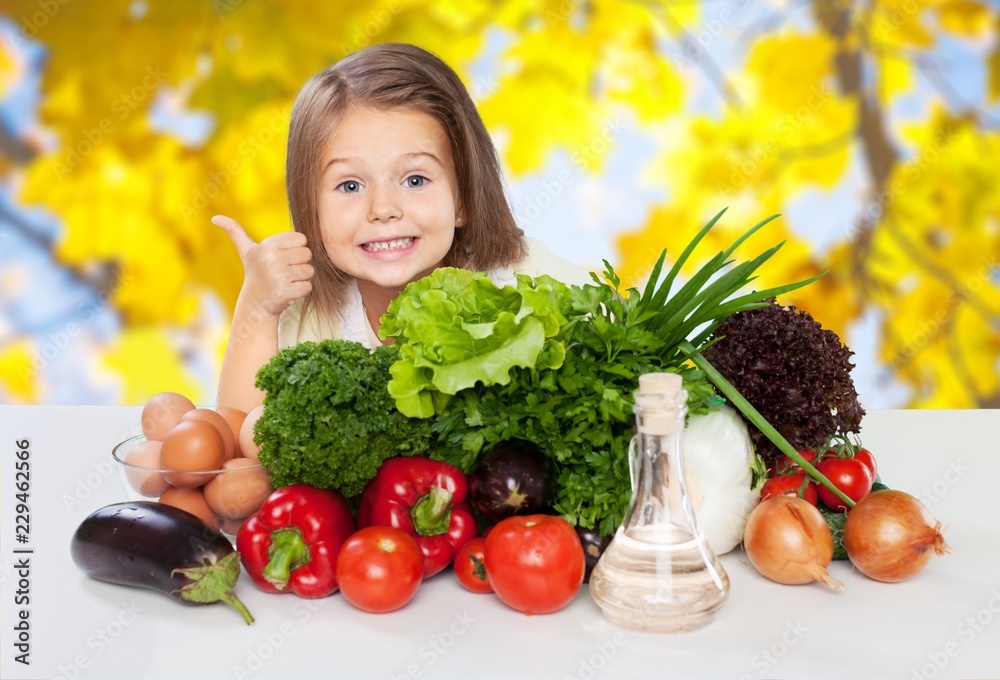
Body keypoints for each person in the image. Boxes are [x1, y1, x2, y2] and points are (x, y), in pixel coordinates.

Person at [214, 43, 592, 413]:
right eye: (350, 186)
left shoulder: (528, 282)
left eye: (414, 180)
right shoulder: (311, 317)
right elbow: (240, 437)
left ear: (462, 200)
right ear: (311, 210)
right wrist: (257, 309)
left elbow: (632, 359)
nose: (383, 209)